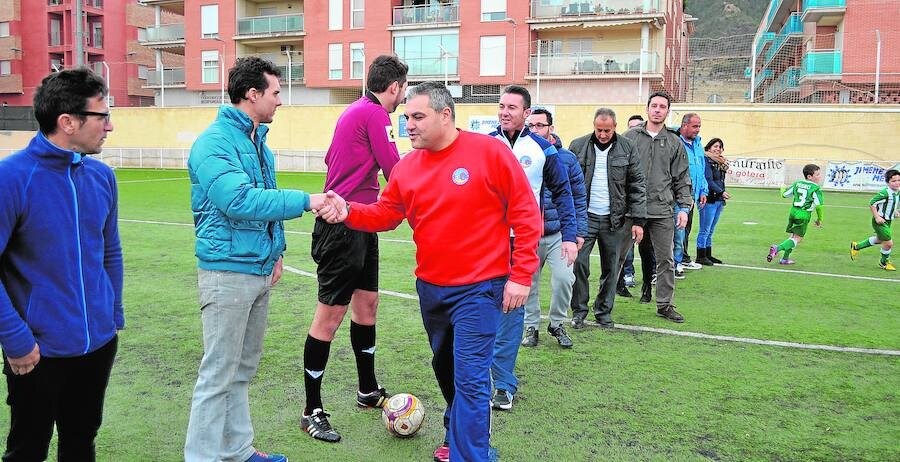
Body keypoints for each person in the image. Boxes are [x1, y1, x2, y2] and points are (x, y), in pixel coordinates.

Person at [322, 81, 541, 462]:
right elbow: (387, 214)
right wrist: (350, 211)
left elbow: (525, 214)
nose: (408, 124)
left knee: (471, 380)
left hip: (481, 289)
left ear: (445, 115)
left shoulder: (489, 153)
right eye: (406, 116)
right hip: (432, 290)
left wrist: (521, 275)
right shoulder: (407, 168)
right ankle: (462, 433)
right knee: (446, 368)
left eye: (418, 116)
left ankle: (469, 454)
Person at [185, 57, 332, 462]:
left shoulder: (256, 140)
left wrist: (277, 252)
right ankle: (201, 456)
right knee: (218, 375)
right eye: (276, 92)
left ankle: (237, 451)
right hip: (226, 271)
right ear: (253, 94)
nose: (280, 100)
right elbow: (238, 201)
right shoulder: (215, 142)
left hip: (257, 268)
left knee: (242, 369)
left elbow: (262, 199)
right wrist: (307, 201)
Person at [0, 68, 121, 462]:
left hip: (98, 344)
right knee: (27, 449)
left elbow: (110, 252)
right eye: (102, 116)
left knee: (81, 442)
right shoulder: (12, 178)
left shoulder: (102, 177)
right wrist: (16, 339)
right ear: (68, 122)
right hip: (37, 350)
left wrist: (111, 313)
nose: (110, 126)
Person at [300, 55, 408, 442]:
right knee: (329, 316)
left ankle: (367, 390)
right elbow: (394, 167)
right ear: (394, 87)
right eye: (402, 90)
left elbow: (334, 159)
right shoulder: (376, 114)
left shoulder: (354, 111)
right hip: (341, 224)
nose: (402, 98)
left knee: (367, 306)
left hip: (361, 220)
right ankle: (311, 410)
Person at [489, 85, 576, 411]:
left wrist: (569, 235)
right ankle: (479, 379)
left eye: (512, 107)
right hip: (484, 243)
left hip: (521, 243)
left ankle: (504, 383)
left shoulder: (543, 150)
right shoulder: (485, 145)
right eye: (501, 106)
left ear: (527, 113)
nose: (505, 112)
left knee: (511, 314)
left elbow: (563, 193)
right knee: (481, 311)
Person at [569, 108, 646, 329]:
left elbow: (637, 185)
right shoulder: (578, 145)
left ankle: (603, 311)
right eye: (599, 130)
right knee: (579, 265)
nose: (603, 134)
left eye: (607, 130)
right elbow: (567, 183)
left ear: (615, 127)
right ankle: (579, 311)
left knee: (612, 268)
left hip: (615, 219)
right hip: (585, 218)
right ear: (594, 126)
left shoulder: (627, 147)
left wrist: (639, 221)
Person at [622, 91, 693, 323]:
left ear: (667, 111)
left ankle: (665, 304)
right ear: (647, 108)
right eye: (654, 105)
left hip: (662, 210)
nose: (658, 110)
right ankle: (605, 302)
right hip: (632, 210)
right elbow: (617, 171)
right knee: (616, 257)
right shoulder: (630, 137)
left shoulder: (674, 142)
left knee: (666, 260)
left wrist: (684, 207)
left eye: (663, 106)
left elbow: (682, 177)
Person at [520, 108, 587, 348]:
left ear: (551, 128)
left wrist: (578, 232)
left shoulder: (566, 158)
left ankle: (557, 323)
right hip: (528, 233)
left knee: (564, 279)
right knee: (528, 282)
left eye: (540, 125)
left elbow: (578, 197)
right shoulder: (520, 153)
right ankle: (531, 326)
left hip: (558, 232)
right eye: (531, 126)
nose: (535, 130)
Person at [767, 164, 825, 265]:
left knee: (793, 236)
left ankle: (785, 259)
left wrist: (782, 188)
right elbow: (819, 206)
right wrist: (820, 219)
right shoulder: (816, 188)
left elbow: (784, 195)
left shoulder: (797, 183)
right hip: (803, 214)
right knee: (798, 238)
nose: (820, 176)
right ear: (809, 177)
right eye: (817, 174)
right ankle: (777, 248)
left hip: (793, 212)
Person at [616, 114, 648, 296]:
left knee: (644, 250)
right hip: (623, 211)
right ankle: (620, 282)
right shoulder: (621, 149)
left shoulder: (643, 150)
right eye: (631, 127)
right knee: (621, 252)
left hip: (645, 207)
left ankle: (641, 282)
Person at [676, 113, 708, 272]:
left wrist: (703, 190)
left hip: (693, 196)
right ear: (684, 125)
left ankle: (684, 257)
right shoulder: (675, 142)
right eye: (695, 126)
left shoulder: (698, 144)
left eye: (699, 126)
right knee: (678, 230)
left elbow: (701, 169)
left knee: (686, 229)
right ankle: (675, 263)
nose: (698, 130)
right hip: (679, 196)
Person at [850, 169, 900, 271]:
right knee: (889, 243)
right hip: (879, 222)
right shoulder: (885, 193)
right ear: (888, 182)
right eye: (893, 181)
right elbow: (872, 203)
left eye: (899, 180)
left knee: (880, 240)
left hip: (888, 221)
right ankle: (884, 263)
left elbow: (891, 205)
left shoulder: (897, 192)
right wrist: (877, 217)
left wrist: (895, 212)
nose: (897, 183)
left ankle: (856, 246)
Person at [696, 138, 730, 265]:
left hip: (718, 200)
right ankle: (701, 255)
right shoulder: (706, 160)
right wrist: (721, 192)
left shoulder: (720, 162)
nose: (718, 149)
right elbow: (708, 180)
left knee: (710, 230)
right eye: (715, 146)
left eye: (720, 147)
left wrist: (721, 195)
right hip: (708, 198)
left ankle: (708, 254)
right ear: (709, 147)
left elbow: (720, 181)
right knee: (704, 229)